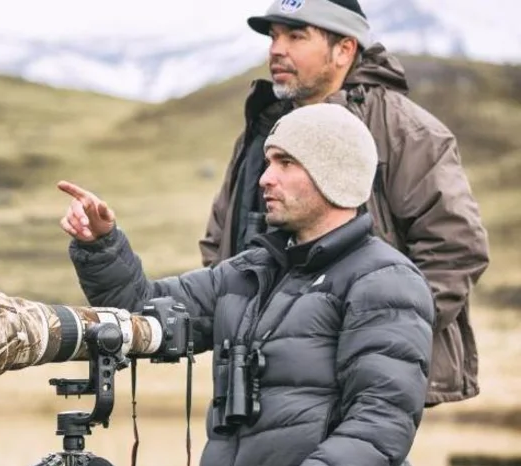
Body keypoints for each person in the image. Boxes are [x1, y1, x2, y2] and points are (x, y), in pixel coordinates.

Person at [58, 103, 434, 466]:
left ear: (334, 175)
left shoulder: (386, 281)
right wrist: (101, 245)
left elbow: (380, 423)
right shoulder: (248, 271)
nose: (265, 178)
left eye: (286, 163)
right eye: (269, 161)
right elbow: (144, 308)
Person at [199, 0, 489, 406]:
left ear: (344, 50)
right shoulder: (264, 131)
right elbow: (220, 242)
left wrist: (379, 338)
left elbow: (456, 249)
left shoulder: (406, 132)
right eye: (273, 36)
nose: (276, 49)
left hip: (355, 384)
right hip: (254, 378)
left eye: (296, 35)